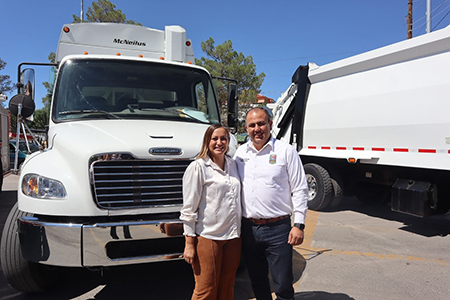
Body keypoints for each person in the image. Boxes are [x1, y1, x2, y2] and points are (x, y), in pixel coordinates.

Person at [234, 107, 308, 300]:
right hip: (249, 229)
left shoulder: (286, 152)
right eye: (252, 125)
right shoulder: (240, 154)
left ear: (270, 124)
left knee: (283, 283)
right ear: (246, 128)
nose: (257, 129)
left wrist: (299, 225)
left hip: (278, 229)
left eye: (261, 123)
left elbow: (300, 189)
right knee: (257, 281)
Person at [180, 123, 242, 300]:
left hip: (233, 237)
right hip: (208, 236)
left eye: (223, 138)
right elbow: (189, 208)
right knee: (205, 290)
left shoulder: (233, 165)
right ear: (207, 141)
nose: (219, 142)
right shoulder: (198, 167)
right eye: (214, 138)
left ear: (229, 141)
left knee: (227, 286)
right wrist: (189, 243)